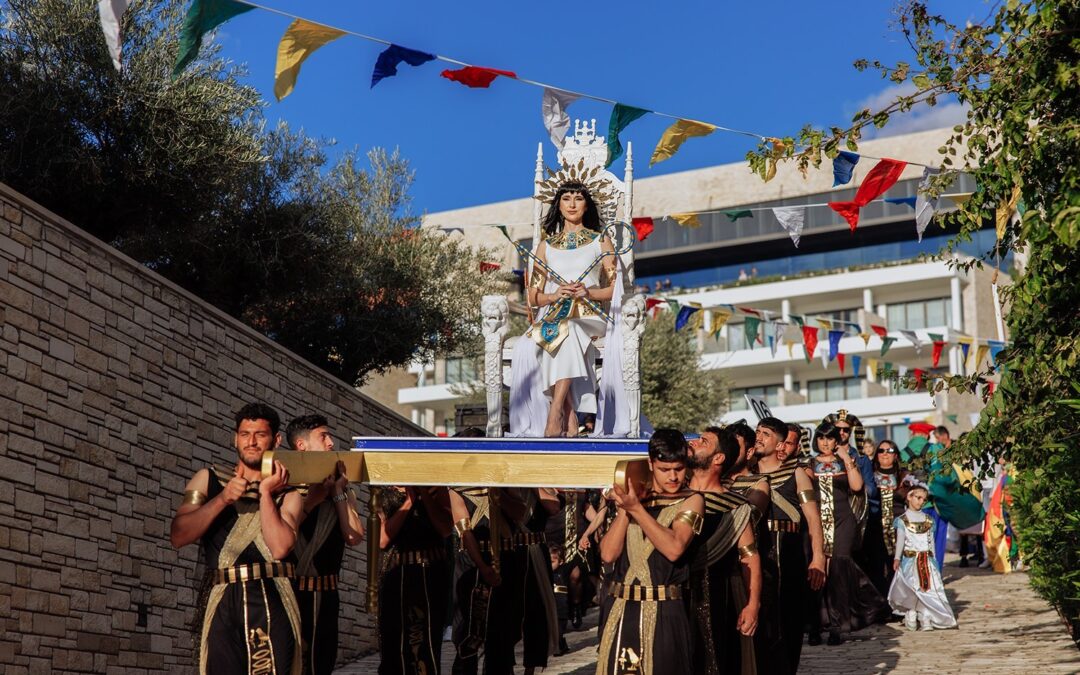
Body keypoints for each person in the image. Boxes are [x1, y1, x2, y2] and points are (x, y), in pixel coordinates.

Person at [170, 402, 303, 675]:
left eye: (260, 434)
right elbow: (179, 535)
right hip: (223, 599)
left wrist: (266, 493)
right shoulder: (208, 479)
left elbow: (280, 547)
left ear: (276, 439)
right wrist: (223, 498)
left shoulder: (289, 490)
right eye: (245, 434)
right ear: (235, 438)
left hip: (271, 597)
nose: (251, 442)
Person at [596, 429, 704, 675]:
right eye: (665, 469)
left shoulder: (692, 500)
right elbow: (608, 554)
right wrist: (626, 509)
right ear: (651, 464)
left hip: (665, 609)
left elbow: (675, 548)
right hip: (624, 607)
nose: (674, 477)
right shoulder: (636, 501)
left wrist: (637, 510)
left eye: (679, 468)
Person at [521, 178, 619, 437]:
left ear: (587, 205)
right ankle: (571, 412)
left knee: (570, 328)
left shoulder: (601, 241)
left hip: (590, 315)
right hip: (555, 315)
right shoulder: (545, 246)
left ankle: (555, 411)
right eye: (566, 198)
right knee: (561, 330)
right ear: (558, 205)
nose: (572, 204)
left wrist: (589, 292)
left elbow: (614, 289)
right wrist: (554, 295)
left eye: (578, 198)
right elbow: (533, 297)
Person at [729, 418, 825, 675]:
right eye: (758, 432)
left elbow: (814, 518)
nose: (759, 437)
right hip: (757, 549)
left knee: (787, 622)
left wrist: (818, 557)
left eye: (766, 434)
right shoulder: (744, 475)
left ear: (781, 443)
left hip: (788, 551)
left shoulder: (796, 473)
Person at [285, 415, 364, 675]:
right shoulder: (285, 487)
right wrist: (313, 500)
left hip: (327, 594)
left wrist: (338, 494)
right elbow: (281, 536)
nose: (331, 443)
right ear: (301, 445)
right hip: (292, 591)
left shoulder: (341, 489)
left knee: (321, 664)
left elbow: (354, 536)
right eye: (323, 436)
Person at [687, 427, 764, 675]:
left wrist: (752, 604)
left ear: (718, 458)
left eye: (704, 441)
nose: (695, 442)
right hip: (671, 596)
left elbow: (749, 556)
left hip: (716, 595)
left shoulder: (734, 506)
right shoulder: (672, 496)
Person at [807, 423, 890, 646]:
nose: (825, 442)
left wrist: (846, 459)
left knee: (838, 570)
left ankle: (837, 627)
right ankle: (815, 626)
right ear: (816, 440)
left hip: (843, 522)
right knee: (818, 571)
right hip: (817, 523)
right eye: (821, 438)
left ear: (837, 441)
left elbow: (856, 486)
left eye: (830, 438)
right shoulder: (809, 465)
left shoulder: (845, 462)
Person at [377, 484, 453, 675]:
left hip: (431, 572)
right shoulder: (384, 490)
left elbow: (445, 528)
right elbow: (383, 539)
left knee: (426, 639)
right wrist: (409, 501)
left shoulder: (437, 489)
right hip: (397, 573)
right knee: (394, 640)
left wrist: (424, 494)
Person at [888, 485, 958, 630]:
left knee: (928, 588)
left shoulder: (928, 520)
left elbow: (931, 541)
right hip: (910, 560)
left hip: (926, 560)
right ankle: (911, 612)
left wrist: (934, 560)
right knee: (911, 587)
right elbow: (900, 540)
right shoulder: (903, 520)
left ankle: (926, 613)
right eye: (918, 498)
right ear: (909, 497)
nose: (921, 502)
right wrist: (897, 558)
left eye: (924, 499)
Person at [865, 440, 909, 595]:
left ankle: (900, 602)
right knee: (877, 566)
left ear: (896, 455)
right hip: (875, 528)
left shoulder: (904, 476)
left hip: (899, 529)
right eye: (881, 450)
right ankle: (881, 603)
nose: (884, 454)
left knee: (898, 566)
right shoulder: (869, 475)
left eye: (889, 451)